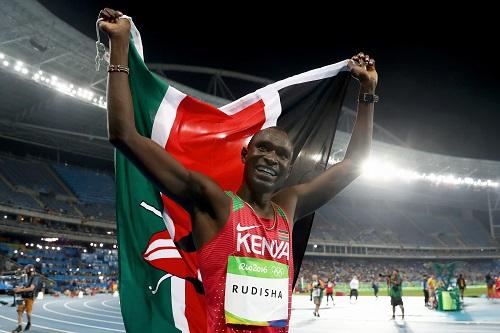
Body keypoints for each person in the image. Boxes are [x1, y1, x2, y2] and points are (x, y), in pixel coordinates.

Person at [98, 7, 377, 332]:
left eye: (281, 155)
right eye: (264, 148)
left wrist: (367, 92)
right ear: (245, 155)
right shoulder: (214, 203)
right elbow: (124, 135)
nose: (271, 158)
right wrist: (118, 46)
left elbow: (354, 164)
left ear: (289, 168)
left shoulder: (289, 208)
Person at [11, 264, 41, 332]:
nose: (25, 271)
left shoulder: (36, 277)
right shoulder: (27, 276)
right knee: (20, 311)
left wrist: (20, 290)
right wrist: (18, 289)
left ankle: (29, 322)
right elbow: (24, 286)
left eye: (27, 269)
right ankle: (20, 326)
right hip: (23, 296)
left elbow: (31, 288)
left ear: (31, 269)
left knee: (28, 313)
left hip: (30, 297)